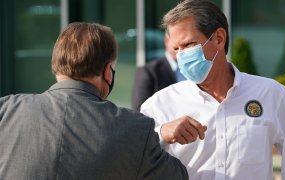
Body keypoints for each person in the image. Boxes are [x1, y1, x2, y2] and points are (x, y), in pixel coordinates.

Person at [140, 0, 285, 180]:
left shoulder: (271, 94)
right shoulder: (159, 104)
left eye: (188, 45)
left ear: (219, 38)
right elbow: (135, 165)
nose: (182, 56)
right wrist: (161, 134)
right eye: (176, 49)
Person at [0, 22, 188, 180]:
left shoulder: (5, 111)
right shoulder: (134, 128)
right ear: (108, 71)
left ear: (56, 67)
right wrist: (160, 137)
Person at [131, 34, 186, 111]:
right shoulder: (148, 71)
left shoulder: (194, 69)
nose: (183, 46)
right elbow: (139, 111)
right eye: (178, 41)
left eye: (187, 43)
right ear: (167, 41)